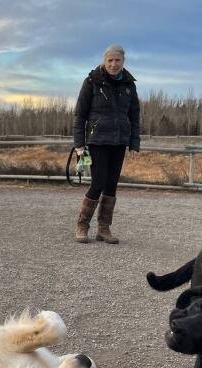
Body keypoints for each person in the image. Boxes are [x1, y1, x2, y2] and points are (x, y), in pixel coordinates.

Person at [72, 44, 140, 244]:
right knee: (98, 182)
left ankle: (104, 229)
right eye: (109, 60)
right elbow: (80, 115)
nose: (113, 64)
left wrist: (134, 142)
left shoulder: (129, 85)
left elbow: (134, 116)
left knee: (111, 185)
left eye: (117, 60)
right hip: (97, 141)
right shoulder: (92, 81)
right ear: (104, 61)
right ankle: (82, 225)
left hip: (119, 142)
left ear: (123, 62)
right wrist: (79, 144)